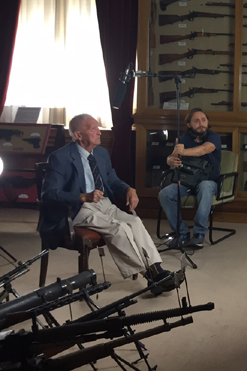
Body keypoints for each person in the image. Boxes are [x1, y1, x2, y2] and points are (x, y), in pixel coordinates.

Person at [41, 114, 177, 295]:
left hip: (104, 203)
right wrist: (82, 197)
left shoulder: (101, 153)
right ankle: (151, 276)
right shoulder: (60, 157)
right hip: (79, 208)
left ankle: (157, 269)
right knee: (118, 228)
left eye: (98, 128)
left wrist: (129, 189)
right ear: (78, 135)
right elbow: (49, 193)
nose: (99, 132)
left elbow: (112, 180)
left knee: (135, 222)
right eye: (93, 129)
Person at [158, 108, 221, 249]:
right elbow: (172, 156)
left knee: (205, 187)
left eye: (204, 120)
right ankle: (182, 233)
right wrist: (170, 161)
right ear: (189, 124)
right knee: (165, 194)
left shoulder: (214, 137)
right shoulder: (182, 139)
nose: (201, 124)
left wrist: (183, 152)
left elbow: (204, 149)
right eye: (196, 121)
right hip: (187, 181)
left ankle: (199, 233)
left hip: (209, 181)